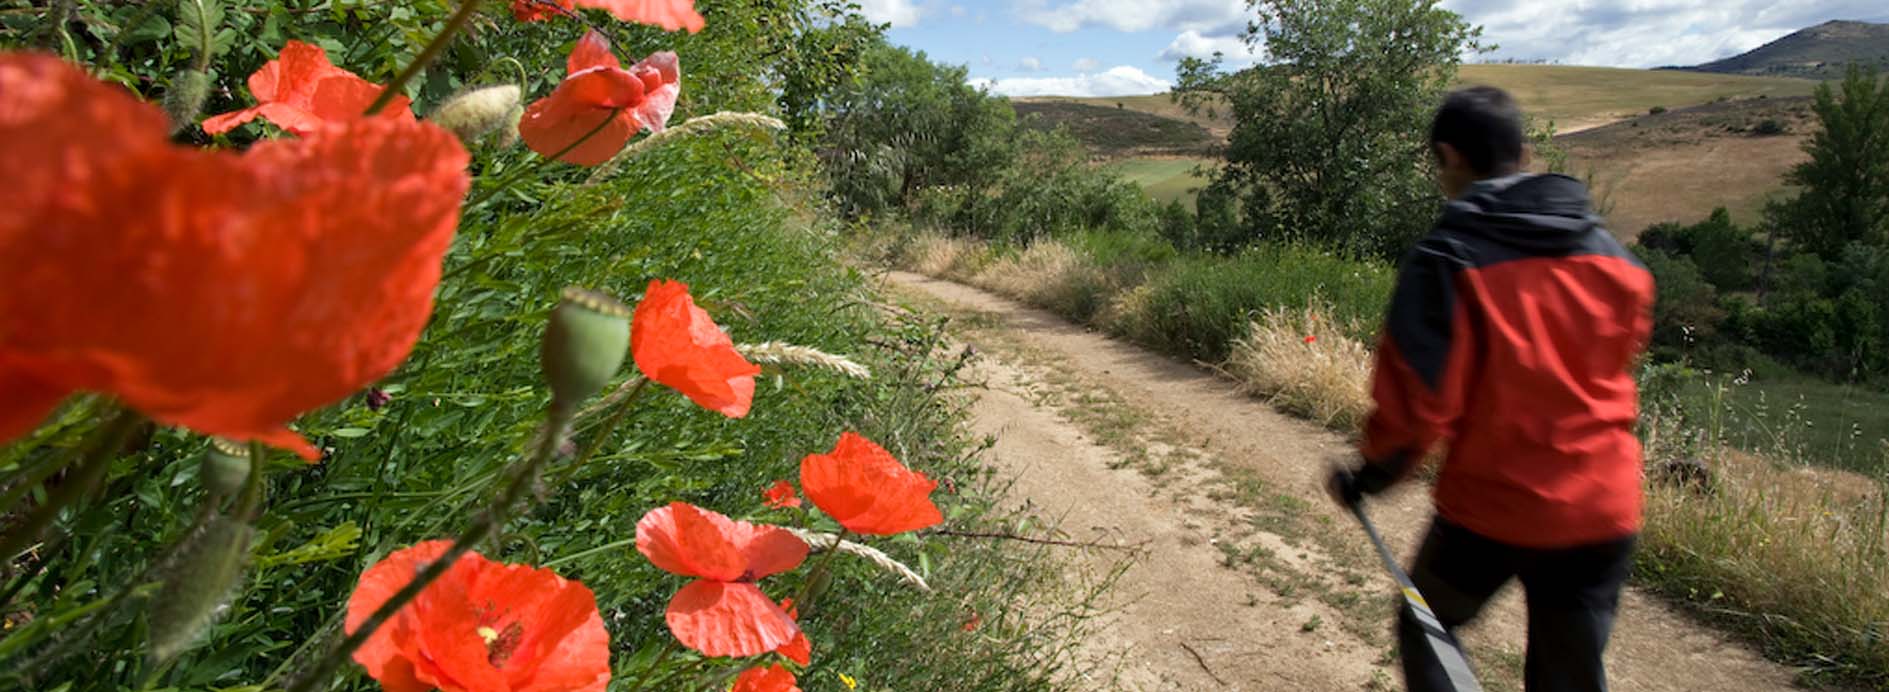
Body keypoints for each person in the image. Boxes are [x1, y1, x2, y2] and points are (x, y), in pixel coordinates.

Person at [1327, 86, 1655, 692]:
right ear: (1523, 154)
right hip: (1603, 508)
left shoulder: (1448, 257)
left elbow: (1418, 406)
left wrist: (1369, 478)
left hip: (1495, 507)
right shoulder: (1616, 257)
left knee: (1429, 626)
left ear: (1449, 156)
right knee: (1568, 679)